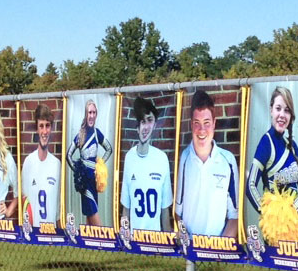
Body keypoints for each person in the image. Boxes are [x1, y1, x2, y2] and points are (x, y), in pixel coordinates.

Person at [174, 89, 239, 237]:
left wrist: (219, 251)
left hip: (215, 255)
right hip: (189, 253)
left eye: (207, 123)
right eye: (197, 123)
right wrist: (188, 251)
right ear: (191, 124)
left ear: (214, 123)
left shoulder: (228, 160)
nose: (201, 130)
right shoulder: (184, 158)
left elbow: (234, 216)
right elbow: (178, 213)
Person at [246, 86, 298, 215]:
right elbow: (250, 185)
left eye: (287, 110)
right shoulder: (266, 143)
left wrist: (292, 212)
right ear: (271, 110)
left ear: (291, 115)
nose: (282, 115)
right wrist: (269, 216)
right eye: (278, 109)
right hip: (275, 230)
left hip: (296, 224)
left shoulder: (292, 146)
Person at [120, 97, 173, 232]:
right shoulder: (129, 157)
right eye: (142, 122)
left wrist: (167, 238)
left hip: (156, 242)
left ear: (155, 124)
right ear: (137, 127)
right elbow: (126, 207)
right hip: (134, 239)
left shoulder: (161, 159)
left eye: (149, 121)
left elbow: (165, 208)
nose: (146, 127)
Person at [66, 98, 113, 227]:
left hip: (95, 180)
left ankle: (89, 242)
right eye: (89, 113)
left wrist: (100, 164)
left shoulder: (97, 134)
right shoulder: (80, 135)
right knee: (93, 212)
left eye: (93, 113)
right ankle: (104, 238)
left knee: (90, 215)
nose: (91, 116)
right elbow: (68, 155)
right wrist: (77, 170)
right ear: (85, 115)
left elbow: (109, 149)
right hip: (85, 182)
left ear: (96, 114)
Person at [21, 103, 61, 228]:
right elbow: (24, 202)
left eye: (47, 126)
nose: (44, 131)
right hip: (34, 237)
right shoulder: (28, 162)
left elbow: (59, 210)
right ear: (37, 129)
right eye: (41, 126)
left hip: (52, 235)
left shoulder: (57, 165)